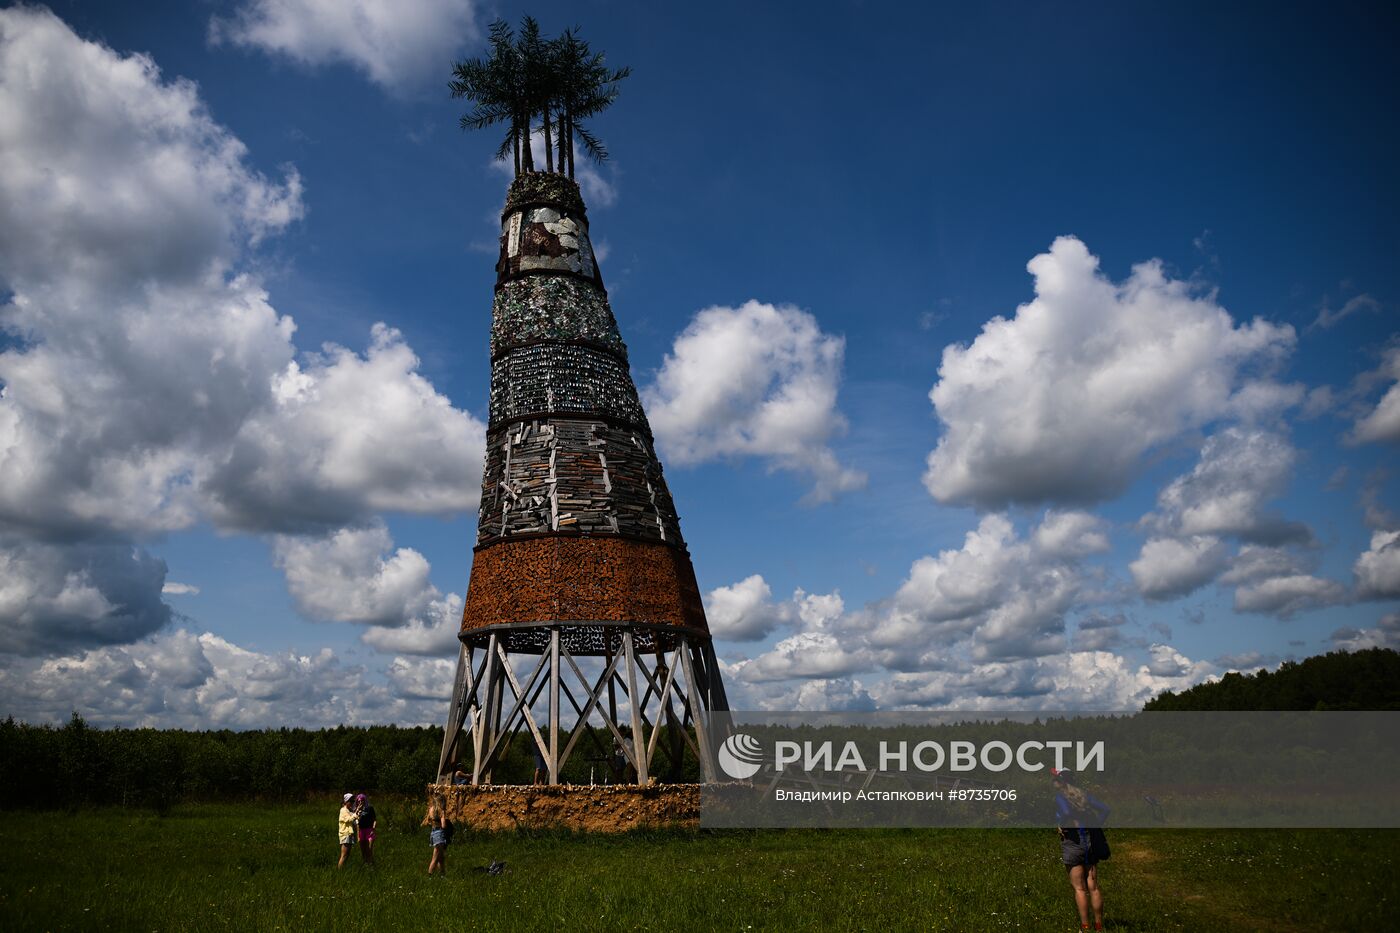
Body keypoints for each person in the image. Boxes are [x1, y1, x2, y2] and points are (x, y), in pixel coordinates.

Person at [1053, 768, 1110, 931]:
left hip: (1073, 840)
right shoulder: (1083, 794)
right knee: (1093, 886)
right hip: (1089, 840)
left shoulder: (1061, 796)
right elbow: (1106, 809)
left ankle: (1085, 928)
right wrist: (1095, 823)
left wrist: (1062, 825)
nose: (1053, 782)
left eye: (1055, 779)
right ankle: (1099, 927)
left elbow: (1066, 811)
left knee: (1079, 888)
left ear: (1062, 782)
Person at [427, 797, 451, 876]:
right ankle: (429, 875)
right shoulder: (441, 811)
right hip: (440, 833)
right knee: (435, 857)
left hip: (433, 832)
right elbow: (443, 825)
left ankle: (442, 875)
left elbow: (428, 821)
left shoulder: (431, 809)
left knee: (441, 858)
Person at [337, 793, 358, 869]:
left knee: (347, 855)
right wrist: (355, 814)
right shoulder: (343, 810)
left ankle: (342, 870)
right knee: (344, 855)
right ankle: (339, 872)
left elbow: (355, 820)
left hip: (349, 834)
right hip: (345, 834)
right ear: (346, 801)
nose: (352, 803)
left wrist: (357, 811)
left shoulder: (350, 810)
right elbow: (348, 819)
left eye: (353, 801)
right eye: (351, 801)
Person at [354, 793, 377, 866]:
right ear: (357, 801)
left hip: (369, 831)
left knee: (369, 849)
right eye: (359, 801)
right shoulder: (356, 810)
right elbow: (356, 823)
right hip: (361, 831)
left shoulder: (369, 808)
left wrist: (373, 829)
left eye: (362, 800)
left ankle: (370, 864)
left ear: (365, 800)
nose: (360, 802)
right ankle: (365, 863)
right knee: (363, 850)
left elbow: (374, 820)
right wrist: (358, 836)